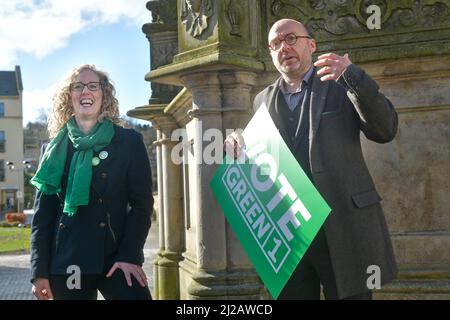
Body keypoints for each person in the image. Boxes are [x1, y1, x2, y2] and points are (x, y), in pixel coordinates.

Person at [225, 19, 398, 300]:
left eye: (291, 38)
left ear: (312, 45)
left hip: (343, 229)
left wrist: (353, 76)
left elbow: (386, 129)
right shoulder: (261, 101)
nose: (284, 47)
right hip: (289, 239)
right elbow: (261, 152)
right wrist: (238, 139)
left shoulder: (340, 83)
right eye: (275, 44)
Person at [30, 64, 154, 300]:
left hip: (116, 257)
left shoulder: (129, 142)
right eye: (78, 86)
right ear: (69, 96)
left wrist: (129, 255)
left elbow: (142, 205)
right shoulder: (53, 149)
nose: (85, 91)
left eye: (92, 86)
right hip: (67, 260)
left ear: (103, 94)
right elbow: (42, 218)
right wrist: (39, 272)